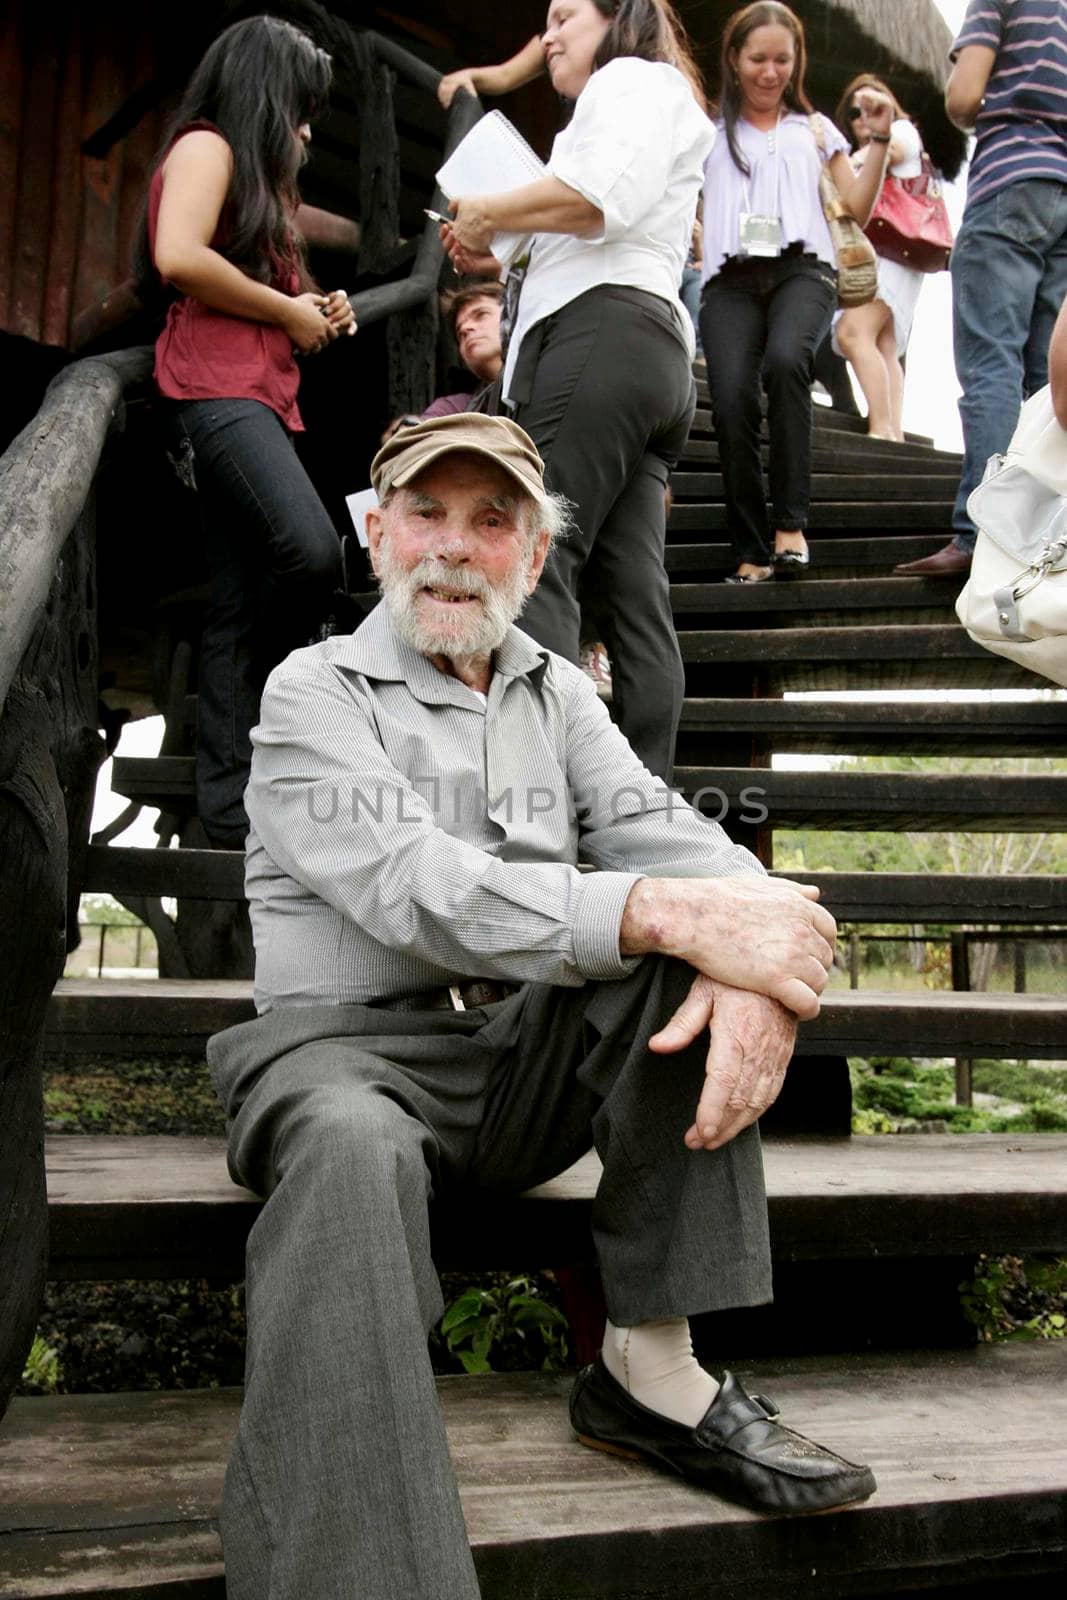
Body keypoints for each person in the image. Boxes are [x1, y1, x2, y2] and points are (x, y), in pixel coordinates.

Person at [207, 411, 875, 1600]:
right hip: (337, 1062)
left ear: (532, 554)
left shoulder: (554, 691)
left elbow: (661, 828)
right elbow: (414, 884)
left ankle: (648, 1372)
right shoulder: (311, 691)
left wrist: (763, 932)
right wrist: (671, 917)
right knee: (357, 1144)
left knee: (699, 943)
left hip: (508, 1062)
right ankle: (351, 1572)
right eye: (426, 513)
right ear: (376, 535)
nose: (454, 547)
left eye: (491, 520)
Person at [440, 0, 712, 785]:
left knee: (537, 556)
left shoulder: (628, 79)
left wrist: (489, 208)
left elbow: (597, 199)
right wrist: (494, 235)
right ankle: (644, 803)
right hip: (645, 353)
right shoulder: (650, 98)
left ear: (618, 16)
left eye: (563, 15)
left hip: (602, 338)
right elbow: (580, 220)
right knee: (633, 599)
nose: (549, 34)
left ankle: (541, 800)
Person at [140, 14, 356, 848]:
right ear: (267, 93)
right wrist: (285, 311)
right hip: (213, 391)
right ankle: (295, 724)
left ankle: (230, 806)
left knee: (234, 603)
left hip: (258, 395)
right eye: (300, 110)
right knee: (309, 553)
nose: (305, 130)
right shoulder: (207, 147)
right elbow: (178, 256)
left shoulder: (260, 184)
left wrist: (321, 308)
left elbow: (270, 285)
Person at [698, 2, 893, 583]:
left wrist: (879, 137)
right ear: (734, 60)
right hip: (728, 279)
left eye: (782, 60)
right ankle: (751, 550)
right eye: (758, 58)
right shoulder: (707, 135)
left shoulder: (814, 130)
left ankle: (790, 525)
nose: (769, 71)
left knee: (787, 361)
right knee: (730, 399)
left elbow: (856, 206)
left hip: (803, 270)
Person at [896, 0, 1067, 579]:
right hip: (1064, 190)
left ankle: (981, 539)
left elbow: (963, 97)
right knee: (1047, 380)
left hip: (1008, 184)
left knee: (990, 364)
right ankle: (1042, 539)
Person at [832, 75, 925, 443]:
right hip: (892, 257)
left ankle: (883, 427)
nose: (861, 118)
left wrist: (852, 155)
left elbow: (895, 151)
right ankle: (893, 431)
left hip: (889, 254)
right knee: (883, 343)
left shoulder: (900, 132)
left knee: (852, 331)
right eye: (854, 112)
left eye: (870, 107)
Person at [421, 280, 505, 418]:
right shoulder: (455, 408)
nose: (466, 328)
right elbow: (416, 432)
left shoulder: (549, 371)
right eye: (459, 332)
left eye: (481, 315)